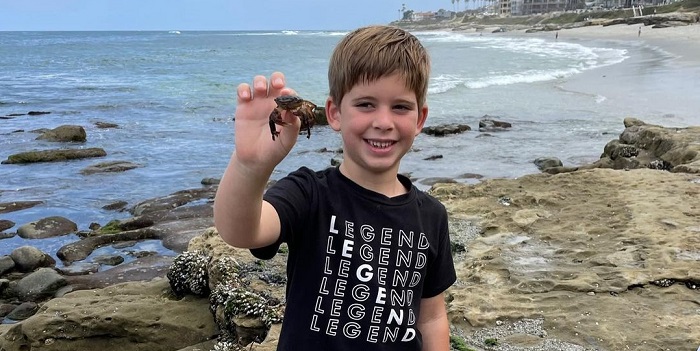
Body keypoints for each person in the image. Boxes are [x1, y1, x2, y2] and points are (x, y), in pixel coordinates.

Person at [214, 25, 456, 350]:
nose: (383, 121)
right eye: (366, 104)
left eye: (400, 107)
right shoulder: (309, 194)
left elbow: (431, 317)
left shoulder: (432, 216)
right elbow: (241, 230)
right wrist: (250, 166)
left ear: (420, 118)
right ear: (334, 113)